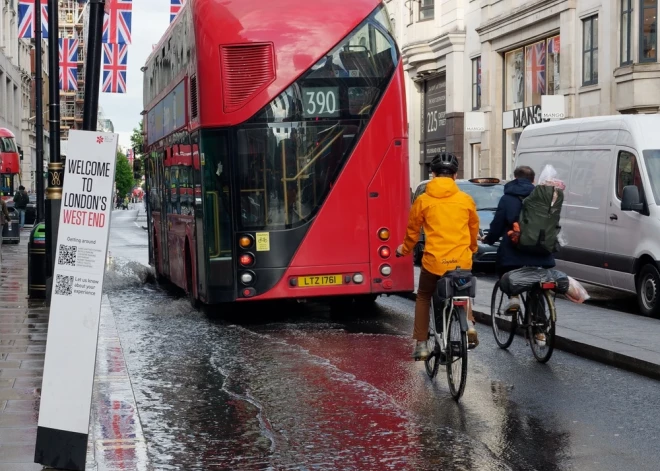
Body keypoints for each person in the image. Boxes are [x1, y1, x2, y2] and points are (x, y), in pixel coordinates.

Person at [396, 153, 480, 360]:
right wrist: (472, 248)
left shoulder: (423, 200)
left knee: (424, 296)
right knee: (463, 288)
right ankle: (468, 324)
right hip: (461, 259)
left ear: (432, 174)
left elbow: (413, 232)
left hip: (435, 262)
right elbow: (473, 228)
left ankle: (422, 344)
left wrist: (404, 250)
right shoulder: (465, 199)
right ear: (455, 175)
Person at [483, 165, 555, 313]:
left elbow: (498, 224)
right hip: (541, 251)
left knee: (505, 272)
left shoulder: (507, 198)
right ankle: (541, 332)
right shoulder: (544, 197)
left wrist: (488, 239)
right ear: (533, 180)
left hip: (514, 252)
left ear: (515, 178)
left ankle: (513, 296)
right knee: (536, 284)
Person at [0, 198, 9, 263]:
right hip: (0, 221)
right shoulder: (2, 202)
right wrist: (9, 219)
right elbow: (5, 212)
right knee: (0, 235)